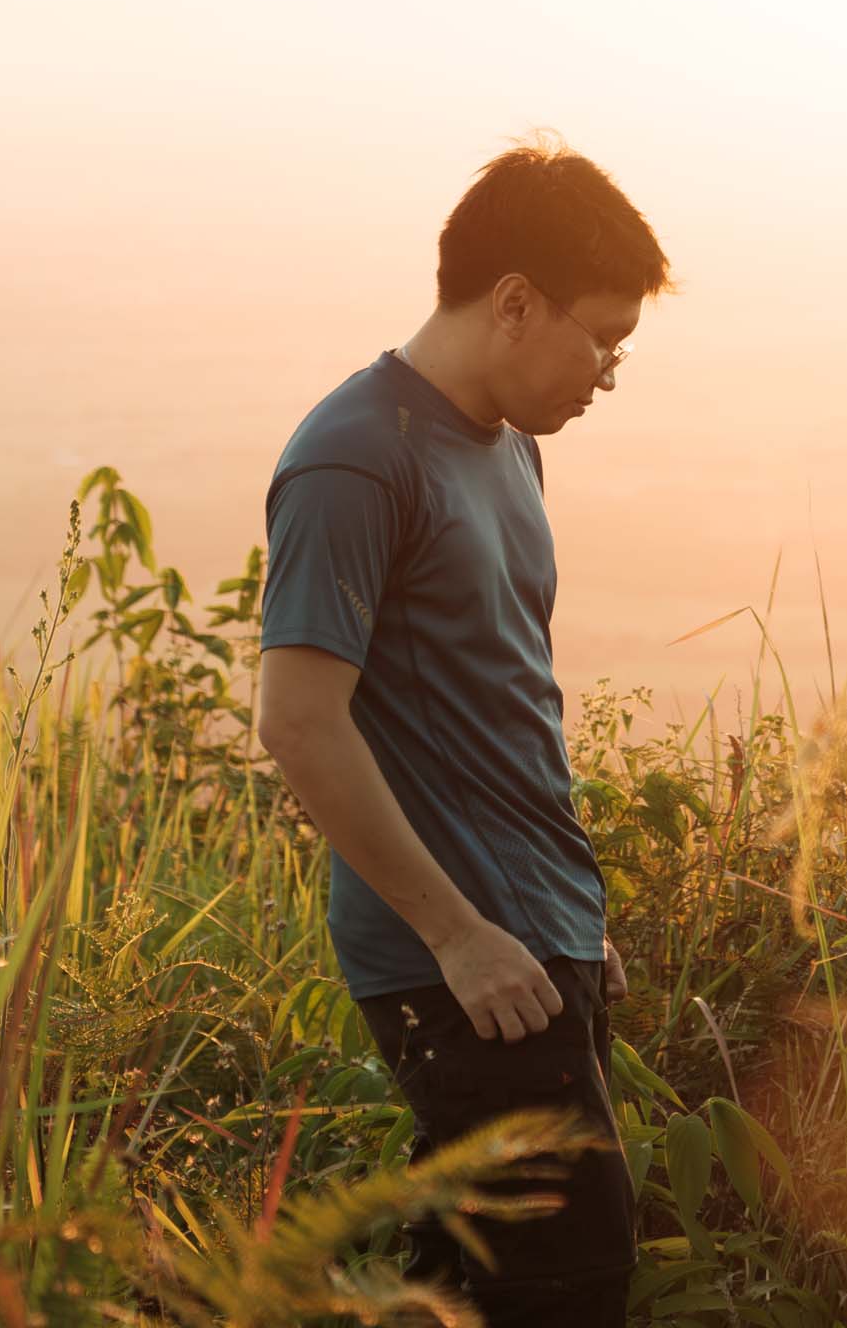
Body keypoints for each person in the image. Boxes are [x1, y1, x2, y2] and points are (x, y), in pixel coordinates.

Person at [254, 136, 670, 1325]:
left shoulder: (510, 448)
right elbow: (297, 722)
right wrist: (464, 936)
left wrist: (568, 914)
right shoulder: (354, 458)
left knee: (496, 1284)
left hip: (534, 934)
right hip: (456, 958)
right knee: (566, 1282)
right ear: (515, 302)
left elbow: (504, 700)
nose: (604, 371)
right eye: (600, 337)